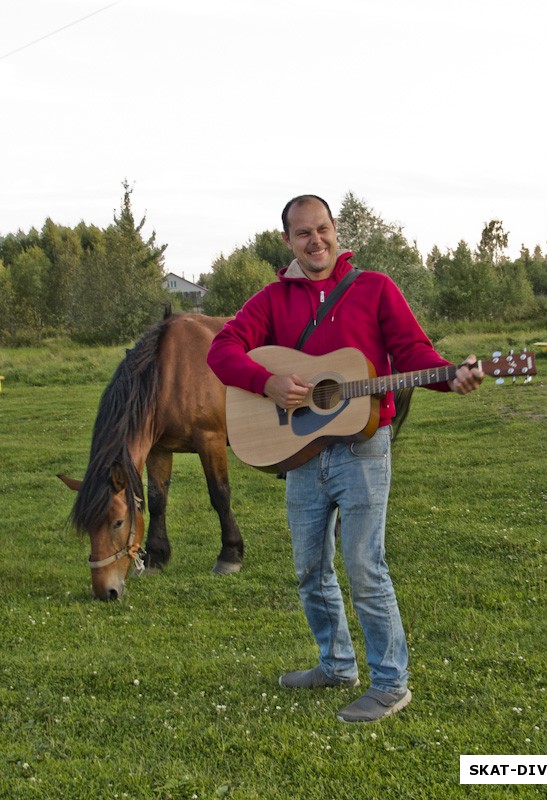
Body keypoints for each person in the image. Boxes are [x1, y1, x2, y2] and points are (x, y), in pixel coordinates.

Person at [207, 194, 484, 723]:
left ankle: (389, 682)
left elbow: (414, 355)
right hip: (302, 455)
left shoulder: (375, 288)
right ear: (287, 240)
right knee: (310, 569)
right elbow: (222, 350)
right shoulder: (271, 300)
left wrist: (453, 374)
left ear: (336, 232)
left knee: (363, 565)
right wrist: (266, 381)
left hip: (363, 450)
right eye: (303, 233)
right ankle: (335, 665)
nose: (316, 241)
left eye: (323, 230)